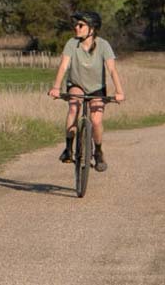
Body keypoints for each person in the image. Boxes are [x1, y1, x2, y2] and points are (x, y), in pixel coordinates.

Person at [47, 10, 124, 171]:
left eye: (81, 25)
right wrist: (56, 87)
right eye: (75, 24)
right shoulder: (71, 44)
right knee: (74, 107)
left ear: (92, 28)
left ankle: (98, 152)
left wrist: (119, 91)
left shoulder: (103, 45)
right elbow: (63, 66)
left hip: (97, 88)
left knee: (96, 120)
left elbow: (112, 70)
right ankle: (69, 148)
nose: (77, 27)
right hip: (77, 84)